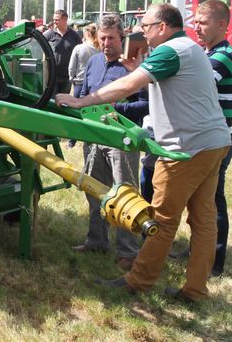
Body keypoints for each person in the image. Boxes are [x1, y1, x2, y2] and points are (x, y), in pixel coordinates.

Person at [57, 3, 231, 303]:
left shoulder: (170, 51)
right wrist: (138, 69)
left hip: (185, 149)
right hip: (213, 142)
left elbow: (126, 87)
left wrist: (81, 102)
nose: (143, 33)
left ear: (162, 27)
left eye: (147, 27)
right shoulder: (189, 48)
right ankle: (195, 290)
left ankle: (137, 282)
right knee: (203, 221)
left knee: (161, 219)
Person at [70, 15, 147, 272]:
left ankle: (128, 251)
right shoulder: (92, 62)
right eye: (101, 38)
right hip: (93, 137)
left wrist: (116, 107)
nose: (106, 42)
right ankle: (96, 241)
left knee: (125, 192)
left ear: (122, 36)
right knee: (95, 190)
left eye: (111, 37)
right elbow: (82, 95)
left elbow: (146, 104)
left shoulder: (132, 67)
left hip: (121, 140)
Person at [192, 0, 232, 277]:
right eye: (196, 21)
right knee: (201, 201)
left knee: (212, 202)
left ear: (222, 25)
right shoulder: (206, 52)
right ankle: (200, 250)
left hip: (216, 141)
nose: (197, 27)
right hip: (206, 139)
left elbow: (194, 83)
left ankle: (213, 260)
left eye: (204, 22)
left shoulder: (224, 56)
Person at [43, 9, 82, 96]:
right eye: (54, 19)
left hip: (67, 76)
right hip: (53, 75)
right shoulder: (49, 34)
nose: (54, 22)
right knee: (52, 100)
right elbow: (39, 45)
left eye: (57, 20)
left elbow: (80, 52)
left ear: (65, 19)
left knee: (63, 101)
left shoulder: (74, 35)